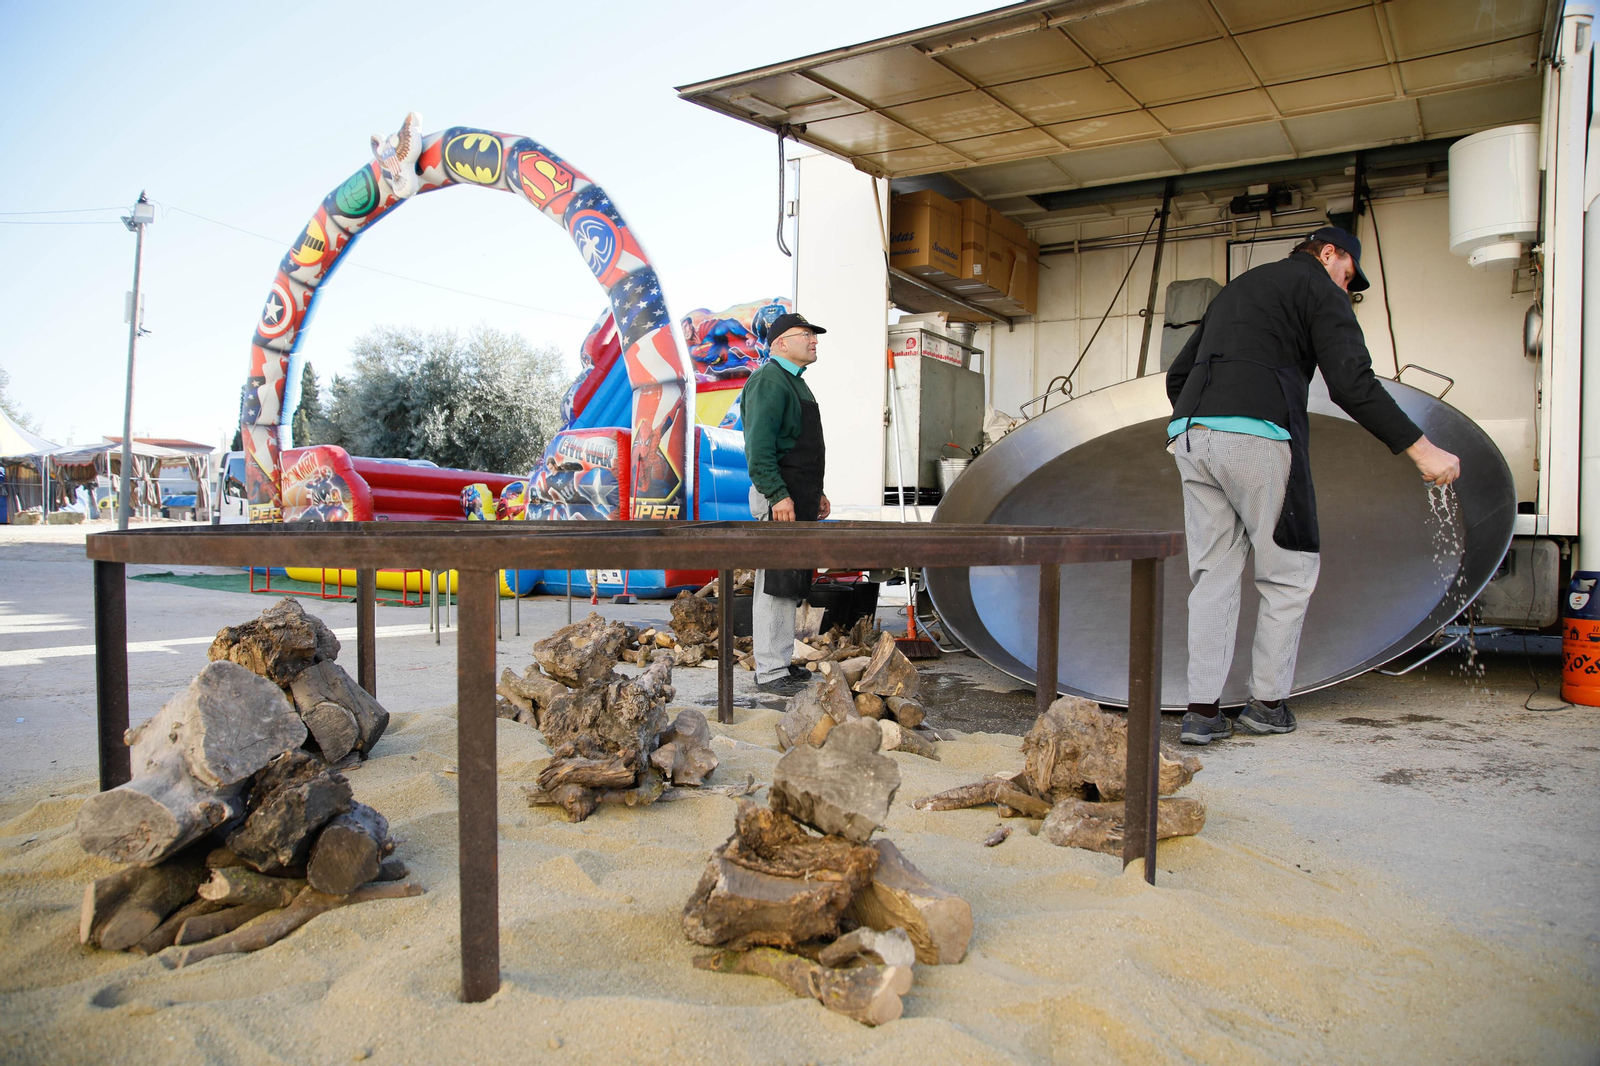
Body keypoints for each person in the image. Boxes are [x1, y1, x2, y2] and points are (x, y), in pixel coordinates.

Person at [1166, 226, 1461, 745]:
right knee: (1289, 571)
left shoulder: (1240, 288)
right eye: (1348, 276)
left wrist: (1213, 420)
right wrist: (1423, 450)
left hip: (1191, 435)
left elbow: (1177, 375)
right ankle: (1267, 705)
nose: (1347, 288)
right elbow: (1351, 382)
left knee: (1213, 574)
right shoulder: (1318, 287)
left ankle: (1202, 713)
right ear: (1329, 254)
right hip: (1259, 436)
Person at [742, 312, 832, 695]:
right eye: (805, 334)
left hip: (798, 497)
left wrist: (817, 493)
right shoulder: (769, 380)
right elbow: (759, 448)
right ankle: (769, 672)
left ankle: (779, 662)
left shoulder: (795, 382)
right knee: (774, 583)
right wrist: (777, 495)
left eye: (814, 335)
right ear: (780, 343)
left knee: (789, 584)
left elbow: (798, 443)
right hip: (779, 497)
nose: (814, 340)